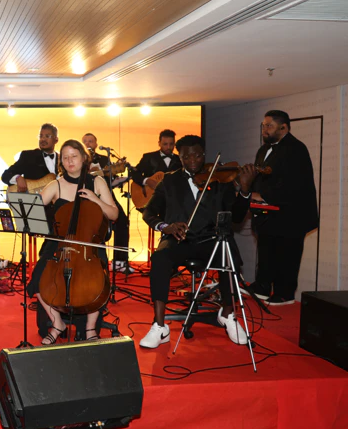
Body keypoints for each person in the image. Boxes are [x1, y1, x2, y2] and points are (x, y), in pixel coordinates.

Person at [140, 135, 257, 349]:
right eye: (186, 156)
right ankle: (159, 326)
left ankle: (227, 314)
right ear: (180, 158)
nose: (192, 160)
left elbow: (238, 217)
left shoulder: (220, 180)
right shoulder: (169, 181)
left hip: (210, 238)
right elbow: (149, 213)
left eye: (197, 155)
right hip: (178, 239)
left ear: (204, 155)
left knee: (228, 252)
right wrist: (165, 226)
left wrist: (245, 190)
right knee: (159, 258)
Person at [26, 140, 120, 345]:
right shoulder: (56, 184)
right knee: (37, 280)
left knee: (96, 282)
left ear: (84, 158)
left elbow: (114, 214)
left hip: (89, 246)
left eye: (74, 156)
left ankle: (90, 328)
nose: (70, 161)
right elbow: (33, 210)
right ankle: (57, 323)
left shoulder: (97, 182)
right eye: (65, 157)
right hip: (60, 244)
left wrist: (96, 200)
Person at [248, 110, 318, 306]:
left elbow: (294, 183)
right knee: (266, 249)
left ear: (283, 127)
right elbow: (260, 178)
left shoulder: (296, 149)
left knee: (287, 254)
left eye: (269, 126)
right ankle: (262, 287)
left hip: (292, 214)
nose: (264, 129)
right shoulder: (263, 150)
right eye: (263, 125)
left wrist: (261, 195)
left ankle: (284, 294)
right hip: (269, 213)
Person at [82, 133, 130, 273]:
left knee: (122, 221)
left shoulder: (104, 160)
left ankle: (119, 261)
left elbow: (111, 182)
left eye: (91, 141)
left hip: (105, 195)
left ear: (96, 144)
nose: (88, 144)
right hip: (84, 196)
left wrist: (121, 180)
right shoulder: (79, 159)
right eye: (85, 141)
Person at [1, 123, 59, 191]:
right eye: (40, 136)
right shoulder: (28, 156)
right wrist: (17, 178)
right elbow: (6, 175)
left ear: (56, 139)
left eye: (47, 136)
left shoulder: (63, 159)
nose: (43, 139)